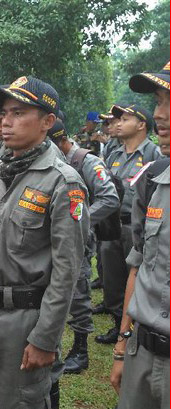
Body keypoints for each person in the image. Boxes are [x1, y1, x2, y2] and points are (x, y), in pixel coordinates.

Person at [0, 76, 90, 409]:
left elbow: (67, 270)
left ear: (47, 122)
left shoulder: (63, 182)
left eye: (18, 113)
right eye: (4, 113)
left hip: (23, 319)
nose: (5, 122)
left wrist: (45, 337)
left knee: (21, 401)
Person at [111, 61, 170, 409]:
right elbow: (139, 266)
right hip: (142, 352)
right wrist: (121, 347)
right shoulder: (154, 180)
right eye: (158, 102)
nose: (159, 114)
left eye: (169, 101)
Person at [47, 119, 120, 379]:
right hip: (51, 238)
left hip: (77, 239)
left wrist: (79, 221)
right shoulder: (50, 159)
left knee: (78, 292)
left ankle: (81, 349)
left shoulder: (86, 161)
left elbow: (110, 198)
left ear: (60, 141)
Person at [97, 103, 162, 344]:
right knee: (112, 277)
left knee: (136, 277)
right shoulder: (114, 154)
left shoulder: (153, 154)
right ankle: (117, 323)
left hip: (139, 229)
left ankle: (134, 327)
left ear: (142, 124)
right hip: (113, 225)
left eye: (125, 118)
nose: (119, 122)